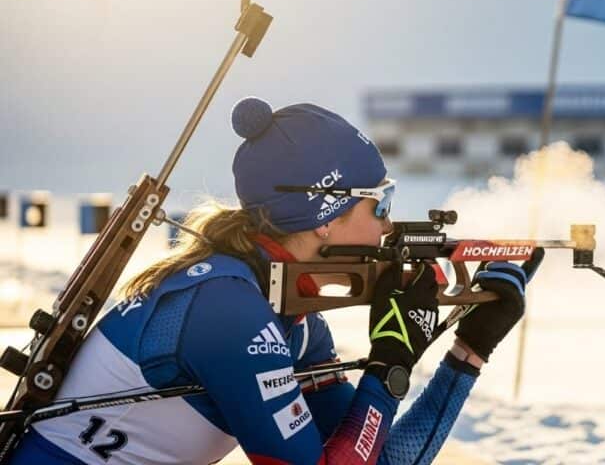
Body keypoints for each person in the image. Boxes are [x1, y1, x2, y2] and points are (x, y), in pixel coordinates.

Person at [11, 97, 541, 465]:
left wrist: (468, 352)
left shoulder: (291, 314)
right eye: (379, 201)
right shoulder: (228, 310)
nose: (387, 223)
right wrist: (390, 364)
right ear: (324, 216)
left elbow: (370, 457)